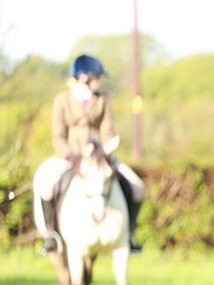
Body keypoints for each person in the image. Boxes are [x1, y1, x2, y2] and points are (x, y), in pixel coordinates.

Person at [32, 54, 145, 254]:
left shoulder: (103, 100)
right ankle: (52, 235)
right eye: (97, 77)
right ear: (83, 77)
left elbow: (108, 132)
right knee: (46, 186)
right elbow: (58, 136)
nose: (100, 81)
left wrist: (104, 153)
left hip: (99, 158)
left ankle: (129, 234)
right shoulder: (62, 100)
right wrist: (70, 155)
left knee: (137, 186)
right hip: (69, 157)